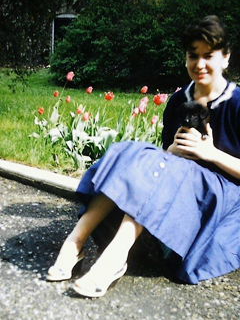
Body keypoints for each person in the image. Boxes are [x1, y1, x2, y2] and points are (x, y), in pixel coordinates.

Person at [46, 15, 240, 297]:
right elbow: (163, 162)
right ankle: (74, 243)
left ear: (225, 58)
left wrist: (209, 154)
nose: (199, 64)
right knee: (131, 151)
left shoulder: (236, 103)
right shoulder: (178, 101)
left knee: (170, 169)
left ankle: (114, 257)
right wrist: (171, 151)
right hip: (178, 186)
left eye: (208, 55)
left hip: (221, 196)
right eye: (192, 55)